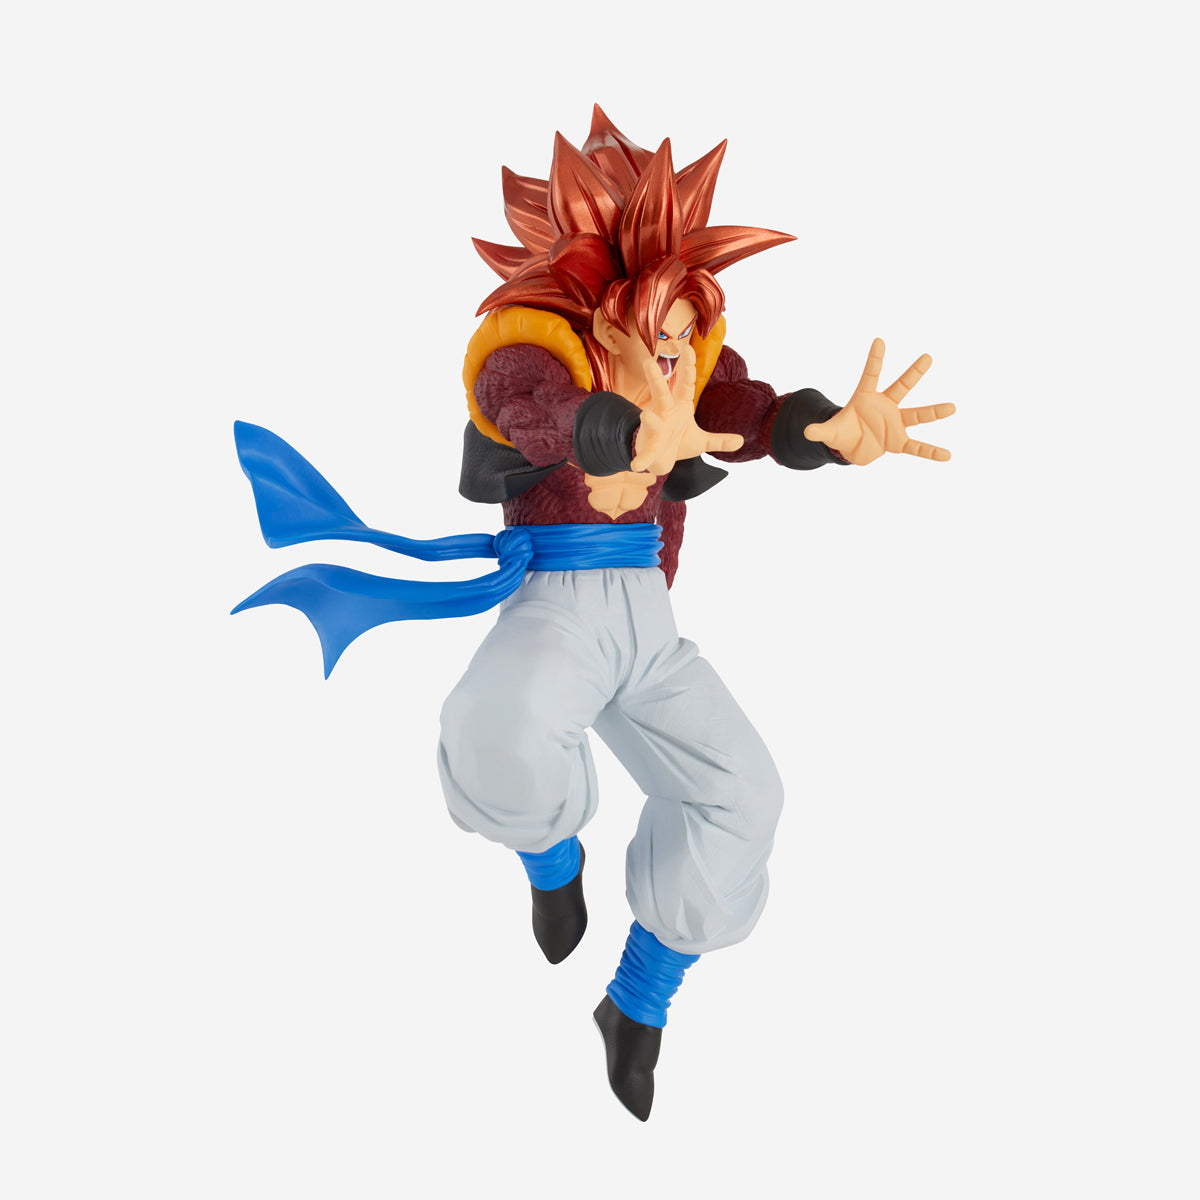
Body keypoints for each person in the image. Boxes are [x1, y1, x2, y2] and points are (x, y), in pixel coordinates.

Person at [232, 106, 954, 1121]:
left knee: (744, 794)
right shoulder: (534, 351)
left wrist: (827, 429)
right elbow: (530, 410)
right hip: (558, 605)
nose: (672, 353)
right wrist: (616, 429)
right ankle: (552, 860)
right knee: (498, 725)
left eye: (680, 332)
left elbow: (743, 411)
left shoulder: (686, 350)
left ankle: (638, 1002)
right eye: (649, 328)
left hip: (648, 623)